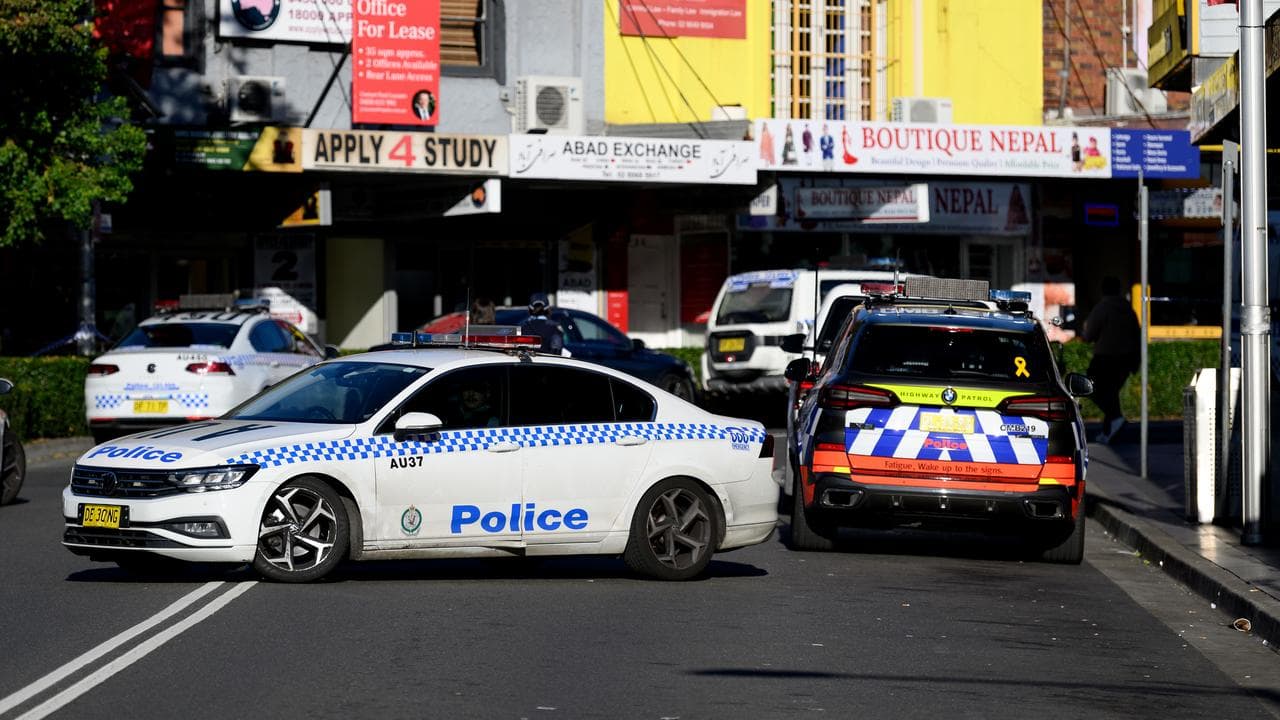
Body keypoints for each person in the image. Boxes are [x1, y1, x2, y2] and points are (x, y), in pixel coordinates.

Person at [1081, 276, 1141, 443]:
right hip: (1126, 359)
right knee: (1111, 393)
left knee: (1091, 388)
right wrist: (1136, 361)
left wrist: (1084, 330)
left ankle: (1115, 418)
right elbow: (1137, 336)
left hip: (1105, 357)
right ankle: (1108, 431)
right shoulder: (1129, 310)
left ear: (1103, 290)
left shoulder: (1102, 307)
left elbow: (1089, 335)